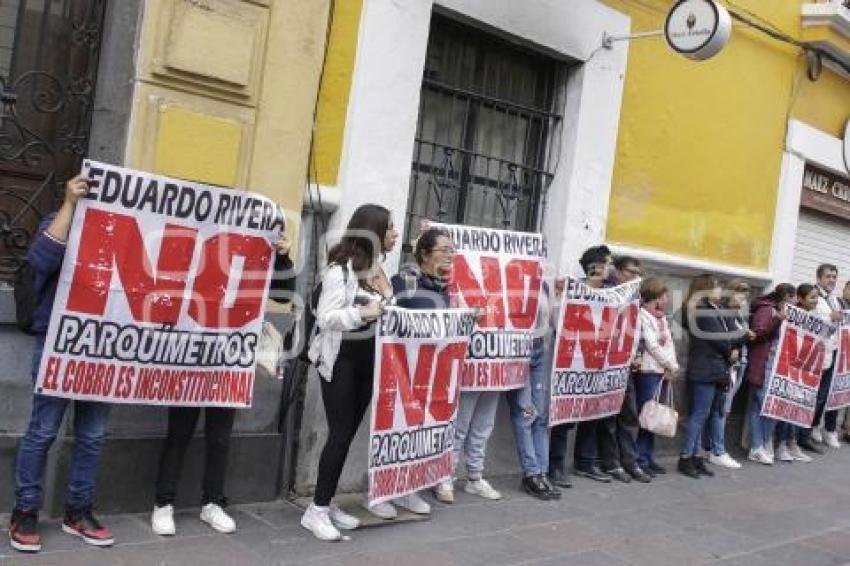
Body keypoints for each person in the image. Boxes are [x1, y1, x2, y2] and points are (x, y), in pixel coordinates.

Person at [151, 232, 295, 537]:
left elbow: (283, 295)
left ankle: (213, 502)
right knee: (179, 433)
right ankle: (163, 503)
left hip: (229, 359)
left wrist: (281, 257)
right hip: (190, 356)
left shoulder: (249, 255)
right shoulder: (198, 249)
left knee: (220, 437)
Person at [9, 175, 115, 553]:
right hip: (58, 346)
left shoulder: (122, 236)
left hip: (103, 352)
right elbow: (41, 260)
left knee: (92, 436)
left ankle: (78, 511)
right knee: (43, 430)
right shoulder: (59, 219)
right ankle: (24, 511)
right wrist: (69, 206)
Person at [300, 204, 397, 541]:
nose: (394, 235)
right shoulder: (339, 271)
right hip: (340, 362)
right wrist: (363, 313)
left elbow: (388, 308)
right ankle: (316, 511)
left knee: (347, 435)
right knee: (339, 434)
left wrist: (384, 301)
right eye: (390, 229)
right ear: (372, 231)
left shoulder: (380, 268)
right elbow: (327, 317)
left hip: (368, 364)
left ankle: (324, 502)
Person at [506, 277, 562, 499]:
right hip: (518, 354)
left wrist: (557, 297)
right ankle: (531, 473)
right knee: (526, 413)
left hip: (539, 351)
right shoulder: (510, 279)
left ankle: (541, 471)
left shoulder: (543, 285)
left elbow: (553, 323)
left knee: (539, 415)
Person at [678, 274, 737, 479]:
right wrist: (731, 349)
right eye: (717, 287)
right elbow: (722, 338)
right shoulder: (702, 311)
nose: (720, 291)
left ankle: (695, 456)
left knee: (702, 414)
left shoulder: (710, 310)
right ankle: (686, 456)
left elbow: (731, 332)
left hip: (711, 367)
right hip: (706, 367)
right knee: (699, 414)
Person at [603, 256, 652, 483]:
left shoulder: (636, 298)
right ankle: (612, 462)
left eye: (637, 274)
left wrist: (638, 355)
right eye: (631, 272)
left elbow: (637, 329)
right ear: (618, 272)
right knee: (609, 417)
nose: (634, 277)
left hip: (626, 364)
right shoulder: (607, 292)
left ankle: (630, 461)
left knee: (629, 414)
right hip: (607, 364)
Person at [703, 279, 752, 470]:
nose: (743, 298)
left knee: (723, 408)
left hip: (739, 363)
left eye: (745, 294)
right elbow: (728, 339)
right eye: (739, 293)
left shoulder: (739, 313)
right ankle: (717, 450)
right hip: (727, 365)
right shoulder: (725, 313)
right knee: (721, 409)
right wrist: (745, 335)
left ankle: (712, 447)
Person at [634, 277, 679, 476]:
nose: (667, 299)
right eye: (665, 295)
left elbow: (669, 344)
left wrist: (672, 366)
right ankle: (639, 458)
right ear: (656, 297)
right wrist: (670, 364)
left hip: (662, 370)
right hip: (649, 370)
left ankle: (647, 456)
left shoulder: (661, 318)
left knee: (655, 416)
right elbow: (651, 345)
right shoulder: (643, 315)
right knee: (647, 415)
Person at [745, 283, 795, 465]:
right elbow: (758, 333)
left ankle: (760, 445)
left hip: (775, 367)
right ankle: (759, 445)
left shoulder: (782, 313)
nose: (795, 303)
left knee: (765, 407)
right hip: (764, 364)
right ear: (786, 298)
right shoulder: (767, 310)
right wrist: (777, 320)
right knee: (765, 406)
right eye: (793, 299)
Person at [774, 284, 821, 463]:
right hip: (789, 367)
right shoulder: (793, 315)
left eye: (817, 297)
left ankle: (792, 443)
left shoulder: (815, 317)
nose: (815, 301)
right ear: (800, 299)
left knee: (797, 407)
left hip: (805, 368)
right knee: (786, 408)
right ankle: (780, 445)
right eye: (812, 297)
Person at [803, 264, 843, 450]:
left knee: (822, 397)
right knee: (811, 396)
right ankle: (801, 436)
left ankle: (809, 432)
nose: (832, 280)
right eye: (828, 276)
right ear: (819, 278)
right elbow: (809, 322)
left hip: (831, 354)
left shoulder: (833, 300)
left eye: (834, 277)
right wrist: (831, 319)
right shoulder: (813, 297)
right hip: (815, 355)